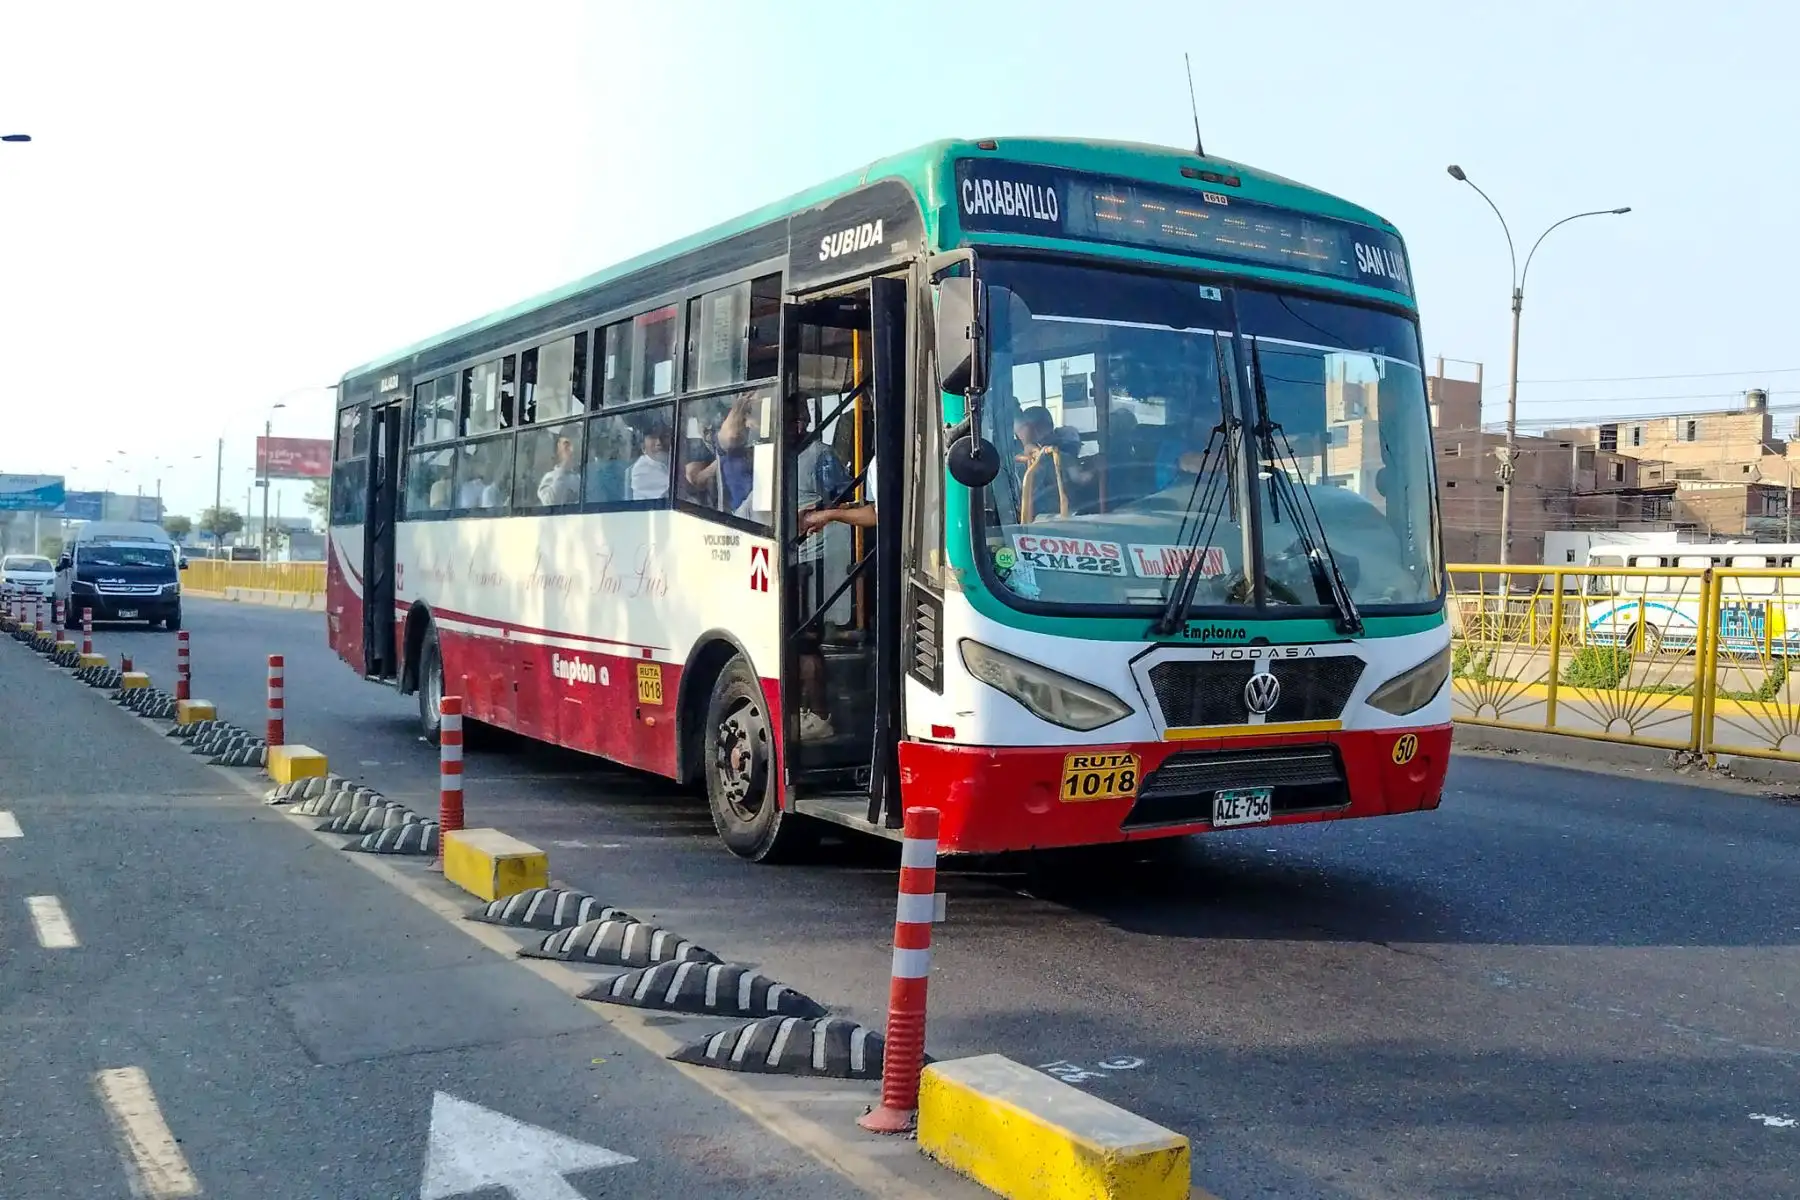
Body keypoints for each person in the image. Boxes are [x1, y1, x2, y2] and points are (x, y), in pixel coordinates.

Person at [787, 400, 854, 741]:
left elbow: (841, 500)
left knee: (805, 644)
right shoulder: (778, 457)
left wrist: (818, 511)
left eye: (792, 419)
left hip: (814, 559)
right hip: (784, 557)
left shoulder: (821, 456)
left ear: (804, 421)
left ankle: (819, 715)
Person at [536, 435, 580, 506]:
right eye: (566, 447)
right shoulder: (549, 477)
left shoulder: (579, 478)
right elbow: (550, 502)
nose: (571, 450)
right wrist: (563, 468)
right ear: (558, 451)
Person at [629, 429, 671, 500]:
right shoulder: (640, 471)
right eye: (653, 437)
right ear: (643, 447)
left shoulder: (671, 460)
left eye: (664, 436)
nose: (659, 442)